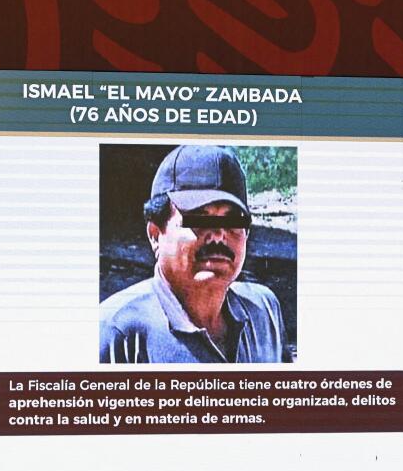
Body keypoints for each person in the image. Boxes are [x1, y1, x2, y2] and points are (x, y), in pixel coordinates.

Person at [100, 145, 289, 363]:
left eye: (232, 220)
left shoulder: (264, 312)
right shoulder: (116, 333)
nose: (218, 236)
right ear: (155, 234)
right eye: (199, 218)